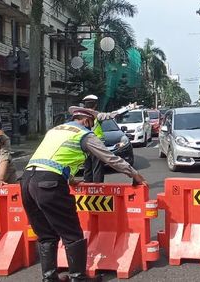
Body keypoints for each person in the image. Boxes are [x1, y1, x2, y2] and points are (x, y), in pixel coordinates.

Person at [22, 106, 147, 282]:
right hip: (49, 184)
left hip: (27, 181)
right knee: (72, 233)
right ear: (88, 121)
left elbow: (53, 158)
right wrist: (133, 173)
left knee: (46, 235)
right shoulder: (83, 134)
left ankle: (49, 278)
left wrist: (71, 179)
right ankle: (78, 278)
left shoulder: (55, 130)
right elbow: (108, 157)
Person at [80, 94, 135, 183]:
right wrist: (128, 107)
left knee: (87, 168)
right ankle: (98, 191)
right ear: (95, 105)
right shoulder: (97, 115)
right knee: (97, 168)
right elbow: (113, 115)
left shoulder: (80, 116)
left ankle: (87, 190)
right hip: (97, 144)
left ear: (84, 105)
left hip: (84, 145)